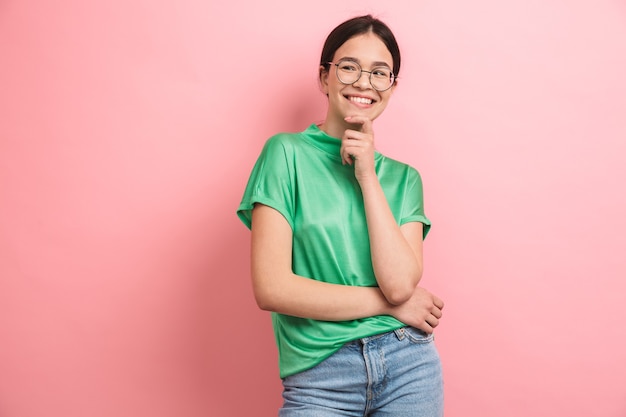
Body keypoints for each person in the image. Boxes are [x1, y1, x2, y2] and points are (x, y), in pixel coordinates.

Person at [237, 14, 445, 417]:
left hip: (409, 367)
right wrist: (387, 307)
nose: (364, 82)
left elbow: (401, 286)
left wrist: (367, 176)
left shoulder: (404, 179)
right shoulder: (285, 155)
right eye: (349, 67)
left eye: (379, 73)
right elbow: (272, 288)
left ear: (392, 86)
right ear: (324, 77)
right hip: (320, 376)